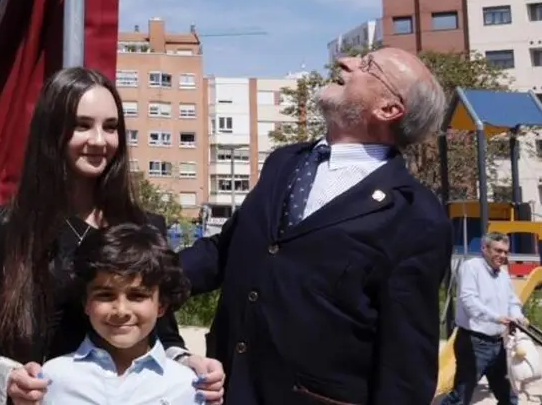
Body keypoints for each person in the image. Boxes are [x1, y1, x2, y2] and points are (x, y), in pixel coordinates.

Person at [180, 47, 454, 404]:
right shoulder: (284, 162)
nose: (346, 62)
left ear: (389, 109)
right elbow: (225, 251)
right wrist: (138, 280)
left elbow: (405, 364)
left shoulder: (415, 215)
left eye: (368, 65)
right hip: (228, 392)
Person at [0, 66, 223, 404]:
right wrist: (8, 381)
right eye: (82, 125)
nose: (98, 140)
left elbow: (162, 331)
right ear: (52, 131)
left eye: (110, 127)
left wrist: (187, 363)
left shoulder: (144, 227)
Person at [42, 223, 200, 404]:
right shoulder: (53, 379)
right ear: (86, 301)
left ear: (161, 305)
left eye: (137, 296)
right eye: (106, 296)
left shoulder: (186, 386)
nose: (121, 310)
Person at [441, 231, 526, 405]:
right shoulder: (472, 267)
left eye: (505, 251)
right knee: (461, 396)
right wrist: (496, 317)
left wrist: (517, 316)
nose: (502, 255)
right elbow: (468, 300)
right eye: (498, 250)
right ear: (484, 249)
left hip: (499, 344)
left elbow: (513, 300)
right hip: (474, 343)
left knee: (509, 396)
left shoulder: (503, 275)